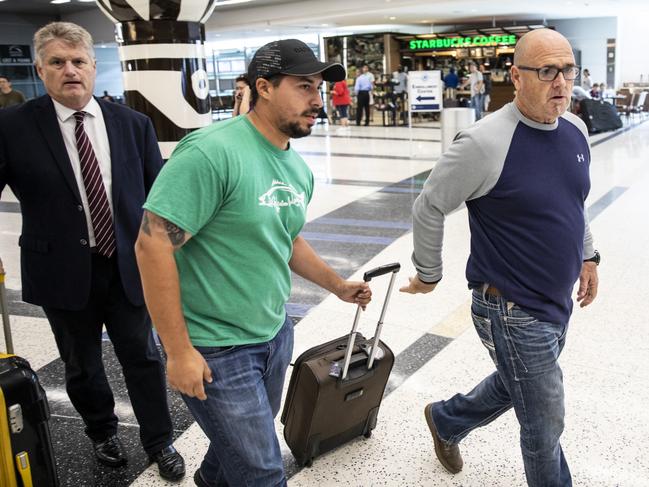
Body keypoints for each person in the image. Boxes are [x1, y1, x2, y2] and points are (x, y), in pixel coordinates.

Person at [134, 38, 372, 487]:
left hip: (273, 332)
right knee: (263, 471)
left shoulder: (295, 167)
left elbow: (286, 238)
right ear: (263, 87)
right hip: (216, 346)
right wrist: (180, 350)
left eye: (318, 89)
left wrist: (337, 285)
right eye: (304, 87)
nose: (315, 101)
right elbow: (153, 246)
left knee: (239, 451)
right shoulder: (211, 152)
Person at [400, 28, 599, 486]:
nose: (561, 83)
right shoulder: (485, 142)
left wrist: (590, 256)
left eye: (567, 70)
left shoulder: (575, 129)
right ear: (516, 76)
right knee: (545, 421)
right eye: (546, 71)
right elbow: (428, 204)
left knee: (522, 386)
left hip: (556, 299)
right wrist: (429, 273)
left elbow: (573, 203)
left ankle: (448, 419)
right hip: (509, 308)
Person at [0, 22, 185, 481]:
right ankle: (102, 432)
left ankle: (159, 439)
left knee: (142, 356)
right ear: (41, 70)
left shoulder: (133, 124)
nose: (70, 70)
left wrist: (175, 255)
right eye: (58, 62)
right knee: (81, 364)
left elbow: (156, 199)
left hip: (127, 266)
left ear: (94, 66)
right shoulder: (12, 127)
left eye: (78, 61)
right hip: (60, 268)